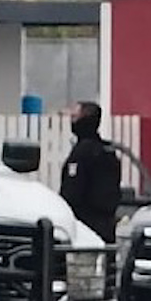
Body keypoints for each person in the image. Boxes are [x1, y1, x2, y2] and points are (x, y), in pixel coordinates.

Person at [60, 100, 122, 243]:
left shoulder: (82, 152)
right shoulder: (108, 151)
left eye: (75, 117)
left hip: (85, 224)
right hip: (107, 224)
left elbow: (72, 190)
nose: (72, 121)